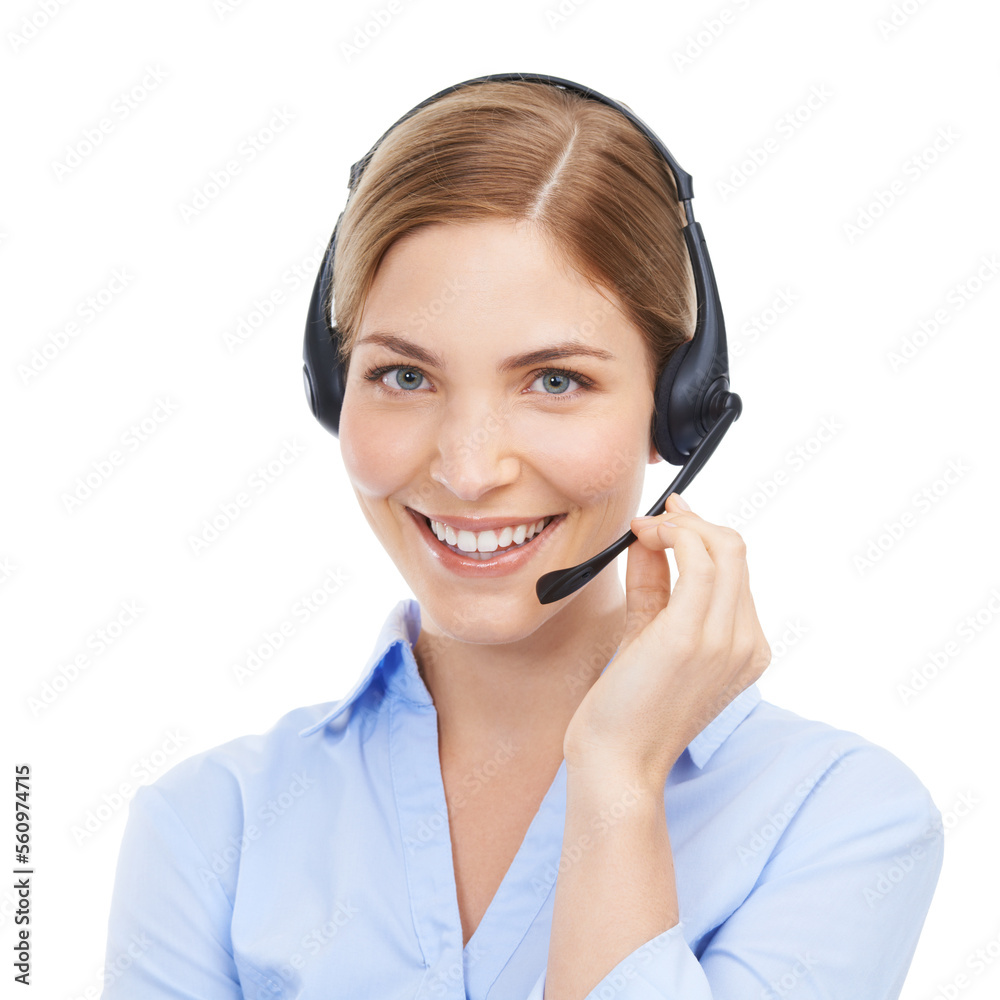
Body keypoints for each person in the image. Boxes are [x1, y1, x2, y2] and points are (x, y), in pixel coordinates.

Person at [99, 77, 943, 1000]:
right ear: (333, 391)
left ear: (677, 407)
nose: (468, 470)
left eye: (553, 382)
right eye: (404, 376)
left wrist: (618, 781)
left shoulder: (840, 818)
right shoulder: (207, 828)